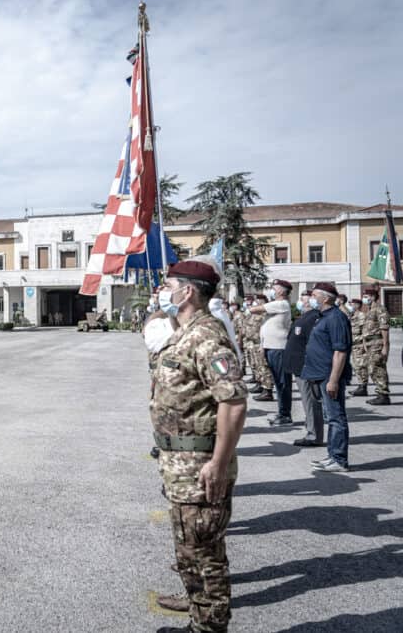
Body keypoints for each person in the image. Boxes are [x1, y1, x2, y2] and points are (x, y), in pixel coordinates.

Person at [151, 259, 246, 633]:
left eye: (170, 285)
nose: (165, 290)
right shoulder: (186, 332)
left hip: (199, 465)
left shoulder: (208, 337)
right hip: (180, 463)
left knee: (204, 554)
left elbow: (234, 401)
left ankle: (208, 626)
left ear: (187, 291)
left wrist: (218, 464)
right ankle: (197, 611)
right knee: (190, 548)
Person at [303, 282, 353, 472]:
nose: (311, 298)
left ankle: (339, 459)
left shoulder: (336, 318)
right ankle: (332, 455)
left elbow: (340, 351)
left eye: (314, 295)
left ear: (325, 298)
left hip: (328, 375)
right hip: (319, 374)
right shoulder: (322, 317)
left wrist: (333, 380)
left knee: (336, 416)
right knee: (330, 416)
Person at [249, 280, 293, 425]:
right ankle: (282, 412)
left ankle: (285, 414)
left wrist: (253, 305)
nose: (271, 291)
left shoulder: (281, 304)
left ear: (281, 291)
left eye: (274, 288)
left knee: (282, 383)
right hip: (271, 347)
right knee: (278, 383)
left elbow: (253, 310)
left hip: (279, 348)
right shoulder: (276, 305)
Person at [285, 289, 324, 447]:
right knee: (307, 400)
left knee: (310, 401)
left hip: (306, 367)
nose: (303, 302)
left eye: (306, 299)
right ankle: (311, 429)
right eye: (302, 299)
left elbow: (312, 344)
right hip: (299, 366)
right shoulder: (305, 317)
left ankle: (313, 434)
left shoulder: (314, 318)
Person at [359, 286, 391, 405]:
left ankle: (383, 395)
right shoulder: (369, 310)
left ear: (373, 297)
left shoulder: (380, 309)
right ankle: (381, 393)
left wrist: (385, 346)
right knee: (372, 369)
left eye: (366, 296)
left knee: (377, 368)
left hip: (377, 343)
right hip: (370, 344)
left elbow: (384, 329)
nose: (364, 299)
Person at [349, 298, 369, 397]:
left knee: (361, 366)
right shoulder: (353, 315)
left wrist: (364, 345)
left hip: (359, 344)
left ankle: (363, 387)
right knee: (356, 366)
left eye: (352, 304)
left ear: (357, 305)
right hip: (354, 345)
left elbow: (364, 331)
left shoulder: (361, 316)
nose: (351, 305)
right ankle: (360, 385)